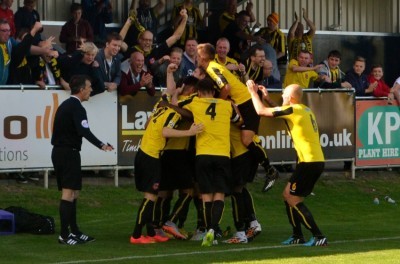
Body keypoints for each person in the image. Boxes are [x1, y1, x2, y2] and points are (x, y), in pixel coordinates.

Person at [246, 80, 328, 247]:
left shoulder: (294, 109)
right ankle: (297, 235)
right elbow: (281, 111)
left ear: (290, 98)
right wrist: (268, 99)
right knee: (288, 195)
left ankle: (319, 236)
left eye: (284, 95)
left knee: (292, 198)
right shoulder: (303, 109)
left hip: (309, 162)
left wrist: (252, 92)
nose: (282, 96)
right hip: (312, 160)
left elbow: (261, 111)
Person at [197, 43, 279, 193]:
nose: (196, 59)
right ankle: (268, 169)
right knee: (247, 139)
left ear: (202, 57)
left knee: (247, 139)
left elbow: (226, 88)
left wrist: (219, 103)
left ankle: (270, 170)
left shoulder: (212, 68)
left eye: (197, 56)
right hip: (243, 102)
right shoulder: (214, 66)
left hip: (246, 102)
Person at [130, 89, 203, 244]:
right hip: (151, 156)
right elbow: (165, 131)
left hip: (146, 153)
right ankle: (136, 235)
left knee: (154, 196)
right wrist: (189, 132)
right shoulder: (173, 113)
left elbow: (148, 124)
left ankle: (150, 232)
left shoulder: (160, 109)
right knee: (150, 197)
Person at [51, 75, 114, 245]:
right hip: (67, 153)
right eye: (89, 87)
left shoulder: (68, 105)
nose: (91, 90)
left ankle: (75, 231)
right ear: (81, 89)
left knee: (74, 193)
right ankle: (64, 235)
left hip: (64, 152)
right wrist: (101, 145)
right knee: (68, 193)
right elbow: (84, 131)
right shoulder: (76, 107)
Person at [182, 78, 241, 246]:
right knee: (219, 194)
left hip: (203, 154)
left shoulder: (195, 102)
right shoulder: (226, 105)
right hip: (222, 154)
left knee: (206, 195)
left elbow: (178, 106)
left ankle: (209, 230)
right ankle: (213, 231)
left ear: (199, 92)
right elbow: (239, 120)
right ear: (214, 92)